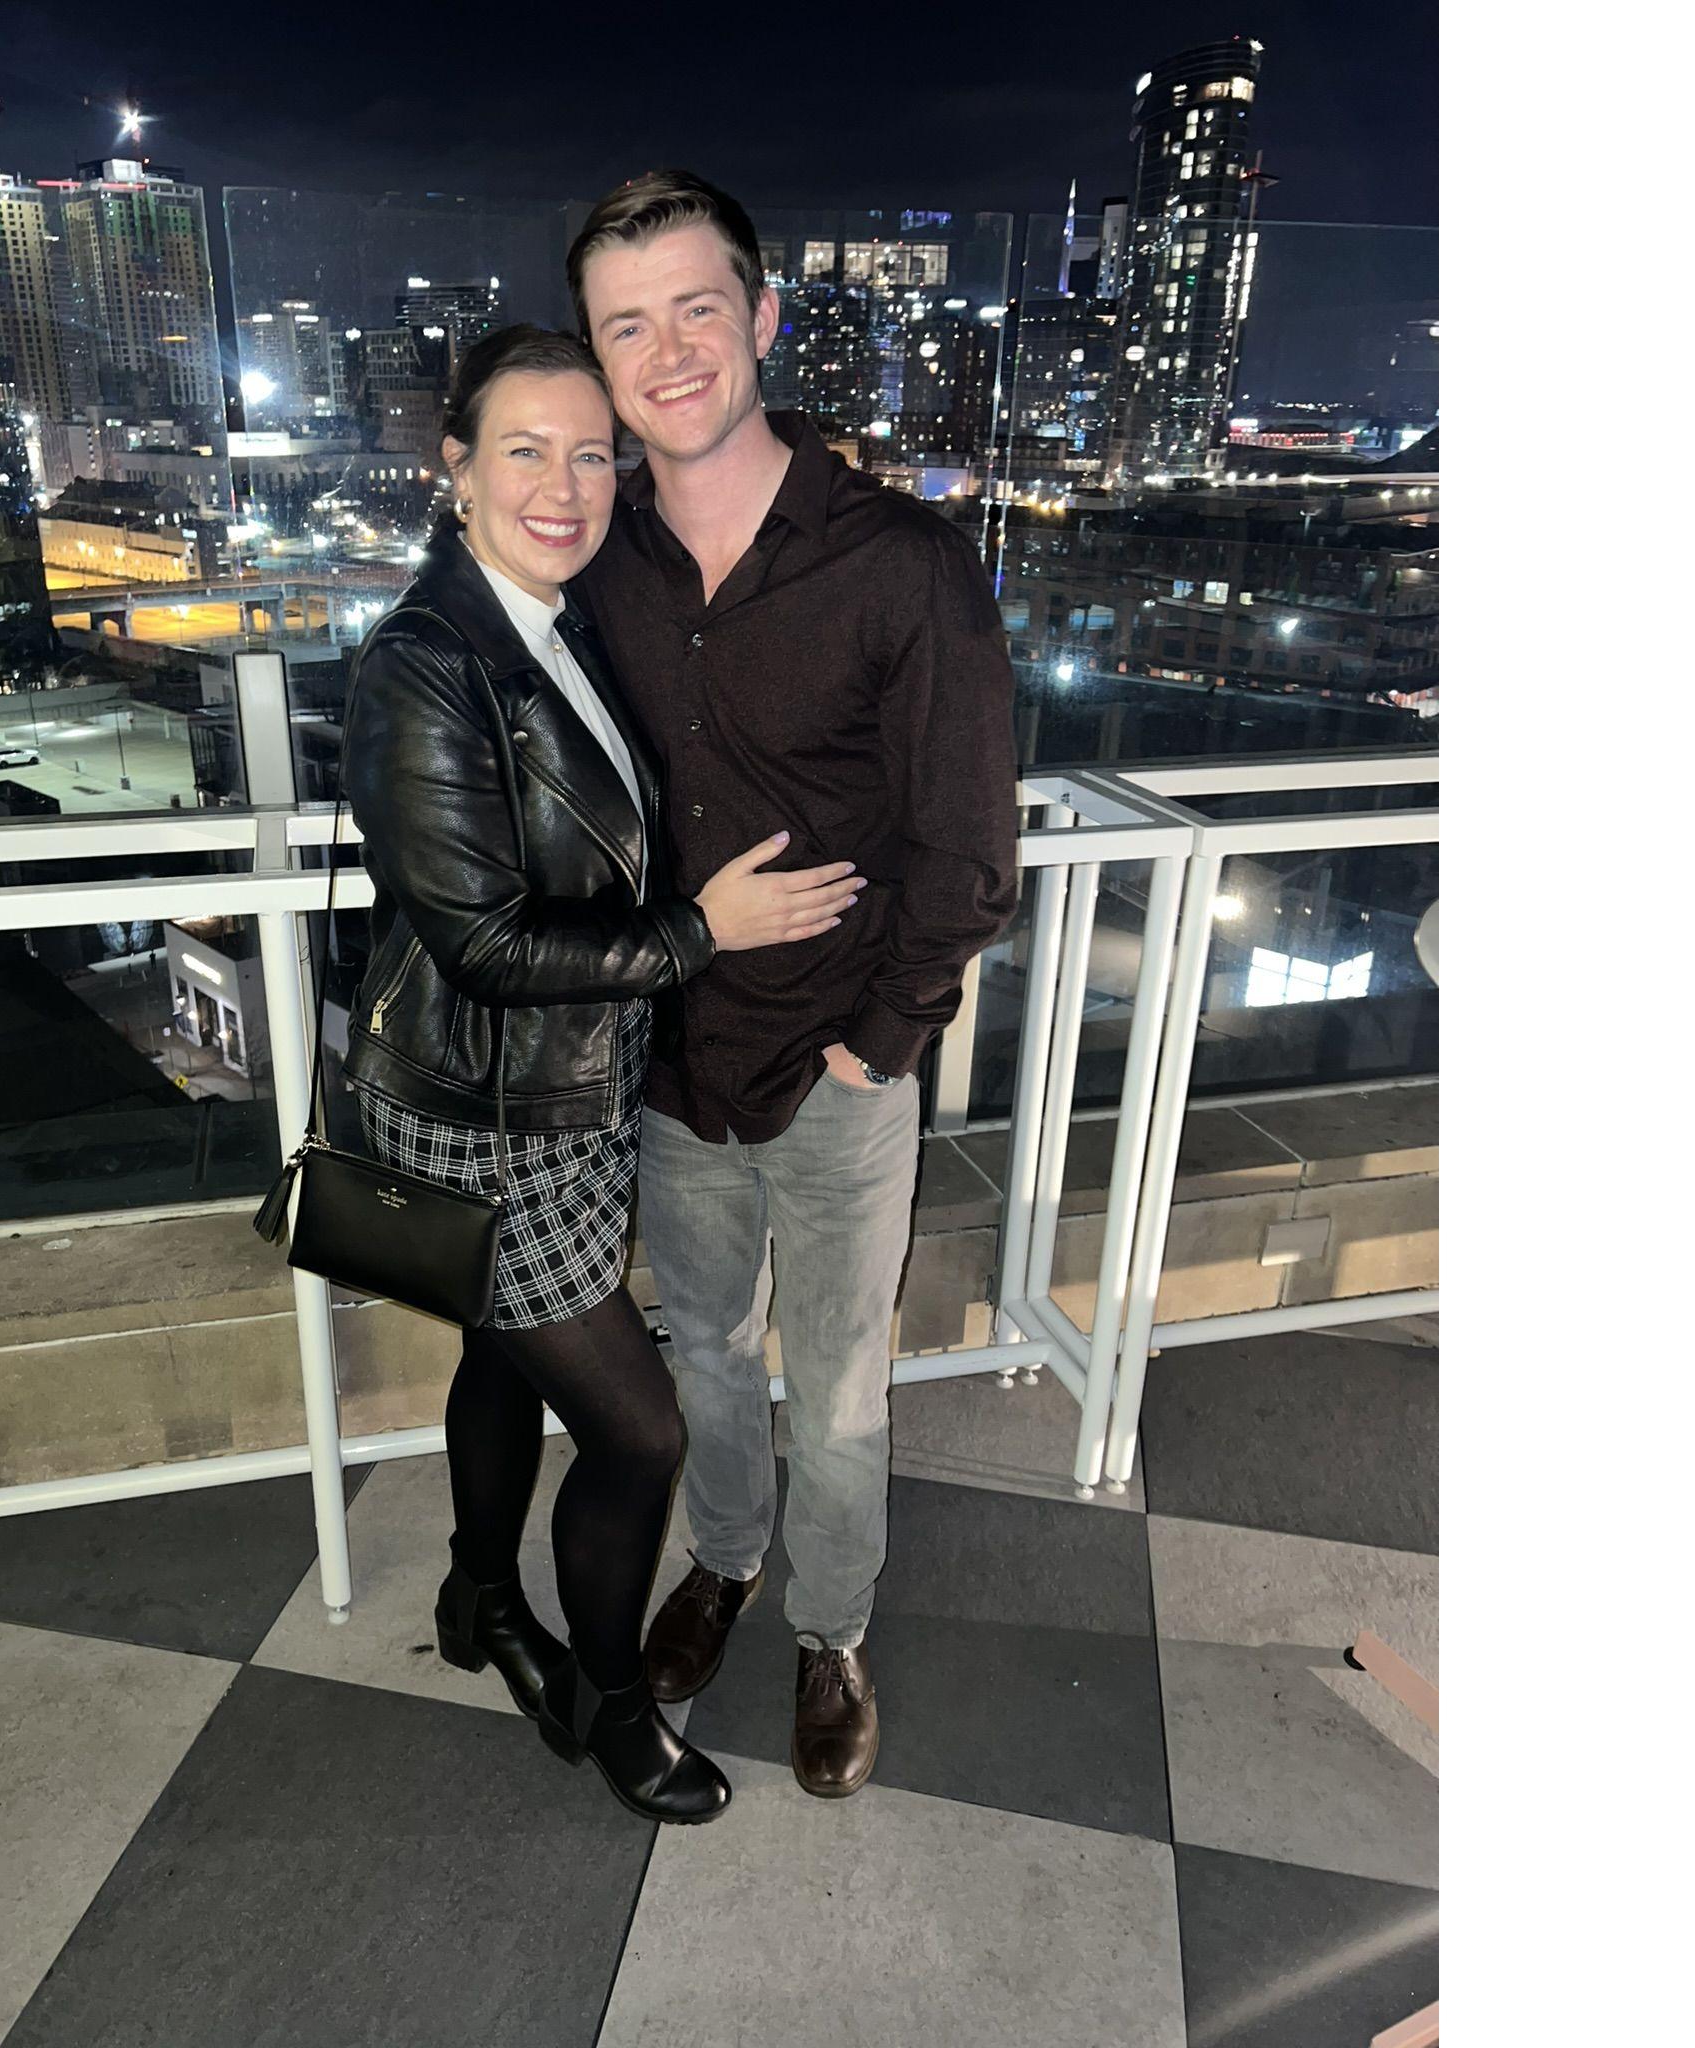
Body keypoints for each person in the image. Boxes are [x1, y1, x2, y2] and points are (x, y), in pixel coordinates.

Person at [338, 324, 861, 1824]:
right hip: (487, 1119)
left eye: (590, 453)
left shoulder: (552, 624)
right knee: (639, 1430)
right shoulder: (426, 664)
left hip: (559, 1090)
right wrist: (707, 931)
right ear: (455, 468)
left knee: (498, 1357)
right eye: (526, 451)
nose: (566, 485)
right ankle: (613, 1706)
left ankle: (479, 1598)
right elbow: (488, 942)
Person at [567, 172, 1023, 1799]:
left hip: (836, 1065)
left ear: (761, 318)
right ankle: (728, 1559)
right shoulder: (597, 560)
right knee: (701, 1353)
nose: (669, 352)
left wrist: (879, 1043)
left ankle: (832, 1631)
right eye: (627, 326)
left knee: (836, 1392)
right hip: (674, 1062)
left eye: (697, 309)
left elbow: (969, 844)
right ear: (599, 362)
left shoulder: (900, 563)